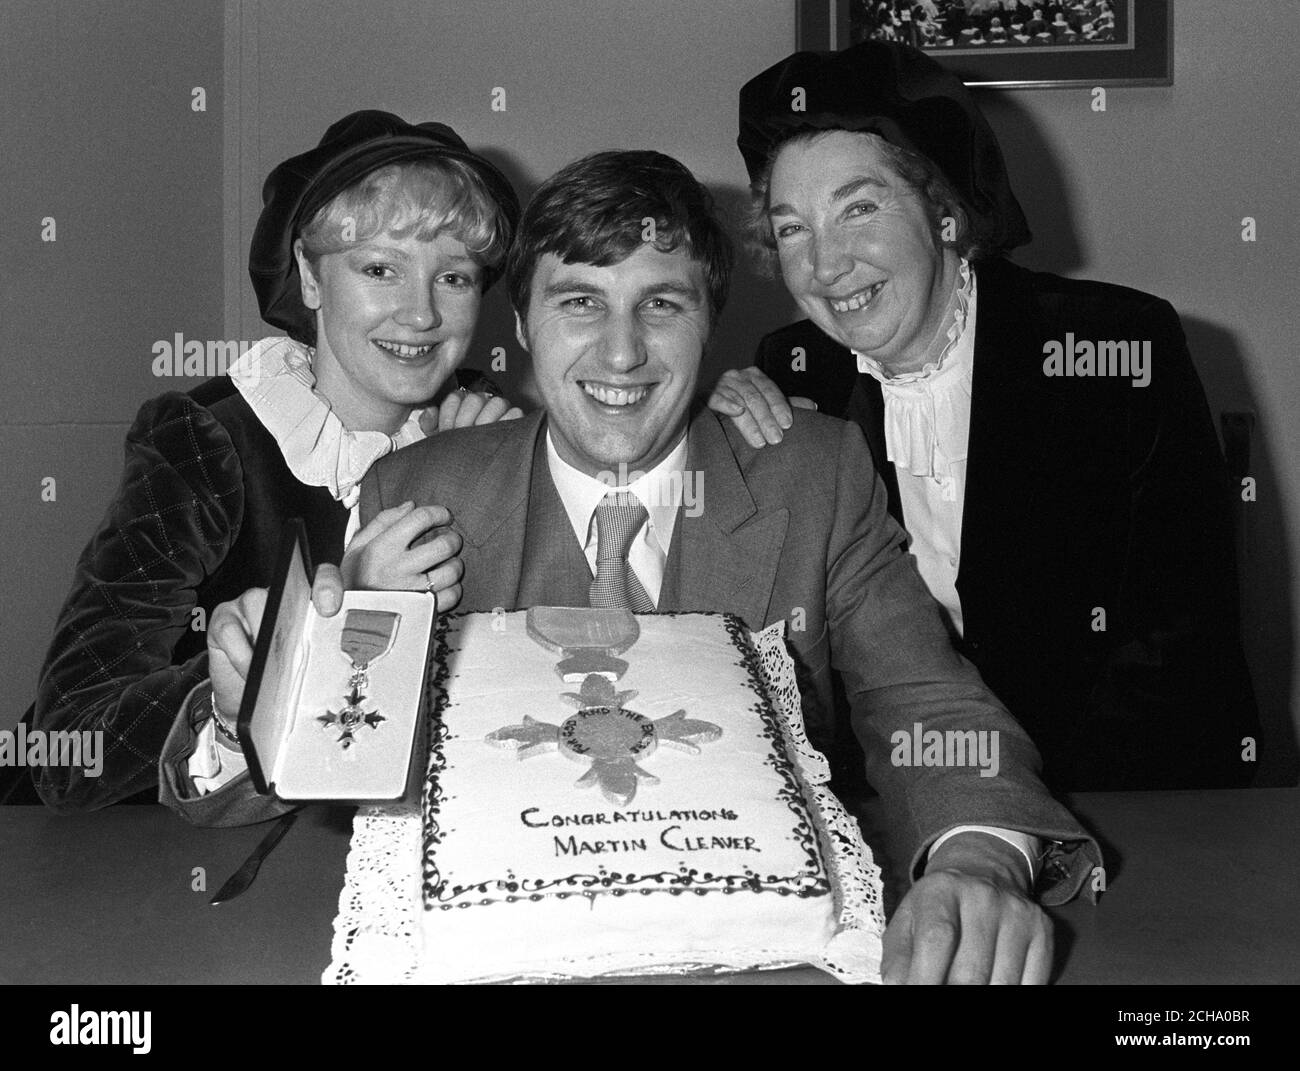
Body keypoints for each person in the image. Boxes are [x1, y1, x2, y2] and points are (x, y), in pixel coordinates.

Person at [197, 148, 1101, 984]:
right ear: (522, 321)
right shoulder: (418, 488)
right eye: (579, 302)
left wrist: (977, 858)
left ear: (712, 322)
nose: (622, 352)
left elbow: (924, 703)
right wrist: (262, 705)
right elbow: (327, 768)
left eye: (661, 304)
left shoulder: (812, 475)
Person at [711, 40, 1258, 791]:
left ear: (943, 210)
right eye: (791, 228)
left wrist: (1013, 825)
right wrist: (711, 450)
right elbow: (788, 670)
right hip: (894, 804)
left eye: (859, 208)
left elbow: (1176, 649)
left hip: (1118, 801)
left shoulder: (1115, 350)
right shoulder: (792, 370)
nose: (825, 265)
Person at [25, 111, 522, 815]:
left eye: (455, 277)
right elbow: (70, 746)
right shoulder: (205, 443)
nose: (420, 314)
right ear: (310, 280)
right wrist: (331, 622)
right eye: (380, 269)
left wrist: (480, 478)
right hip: (143, 868)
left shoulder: (480, 431)